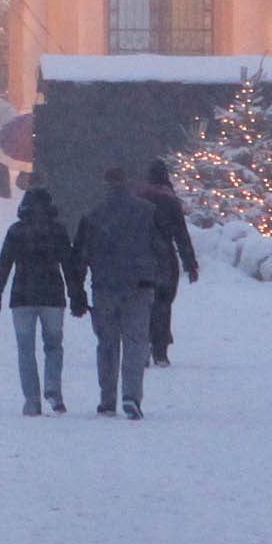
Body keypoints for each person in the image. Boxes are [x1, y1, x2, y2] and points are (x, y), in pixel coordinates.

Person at [71, 170, 166, 421]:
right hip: (139, 285)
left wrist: (77, 292)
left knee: (107, 344)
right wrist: (158, 276)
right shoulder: (147, 212)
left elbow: (79, 258)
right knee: (136, 343)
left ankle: (107, 399)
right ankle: (131, 396)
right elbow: (161, 248)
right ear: (128, 184)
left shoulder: (94, 216)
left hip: (105, 287)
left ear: (106, 186)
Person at [0, 186, 83, 415]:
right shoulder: (58, 231)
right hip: (52, 295)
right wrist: (76, 294)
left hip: (22, 296)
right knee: (54, 346)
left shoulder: (16, 231)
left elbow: (4, 264)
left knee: (25, 349)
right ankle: (53, 389)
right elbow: (68, 266)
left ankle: (32, 400)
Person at [140, 158, 202, 367]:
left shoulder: (139, 198)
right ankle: (160, 350)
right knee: (163, 304)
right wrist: (190, 264)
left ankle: (141, 346)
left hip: (141, 259)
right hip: (165, 258)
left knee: (142, 304)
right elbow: (181, 235)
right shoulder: (170, 200)